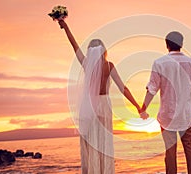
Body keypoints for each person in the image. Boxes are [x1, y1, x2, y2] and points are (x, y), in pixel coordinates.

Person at [57, 20, 141, 174]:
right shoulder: (109, 66)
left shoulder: (86, 63)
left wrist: (65, 26)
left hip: (89, 105)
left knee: (91, 141)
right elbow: (123, 88)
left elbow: (74, 45)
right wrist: (137, 106)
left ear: (90, 51)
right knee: (104, 141)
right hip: (104, 105)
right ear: (104, 50)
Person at [139, 31, 191, 174]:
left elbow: (152, 89)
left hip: (167, 117)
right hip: (186, 116)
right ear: (181, 44)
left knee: (170, 153)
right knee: (190, 151)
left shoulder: (159, 63)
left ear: (167, 44)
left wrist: (143, 108)